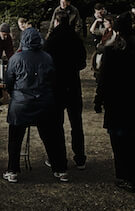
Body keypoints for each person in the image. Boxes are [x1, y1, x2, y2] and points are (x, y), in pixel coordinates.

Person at [2, 27, 69, 184]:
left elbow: (9, 82)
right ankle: (60, 169)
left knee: (15, 139)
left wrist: (15, 95)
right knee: (51, 138)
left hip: (21, 105)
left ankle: (12, 170)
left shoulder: (16, 58)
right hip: (44, 104)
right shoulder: (47, 58)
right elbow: (53, 80)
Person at [95, 12, 135, 193]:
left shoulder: (112, 53)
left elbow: (104, 79)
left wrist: (99, 99)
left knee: (121, 142)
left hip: (118, 103)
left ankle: (127, 176)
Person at [44, 15, 88, 170]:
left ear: (56, 22)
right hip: (73, 84)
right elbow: (83, 62)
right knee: (76, 123)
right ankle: (80, 157)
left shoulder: (51, 40)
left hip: (57, 86)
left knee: (57, 124)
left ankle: (58, 158)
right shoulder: (75, 38)